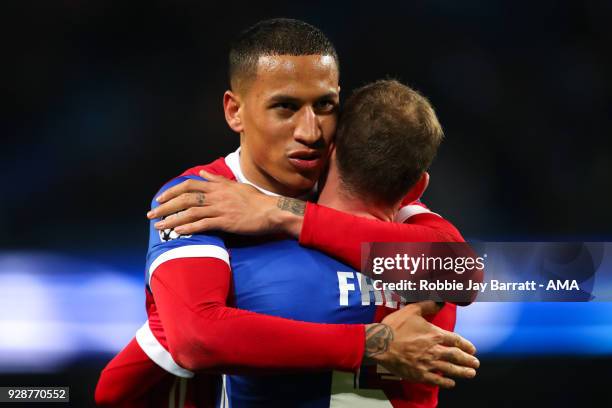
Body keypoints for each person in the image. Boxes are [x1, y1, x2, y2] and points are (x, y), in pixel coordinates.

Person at [96, 19, 477, 407]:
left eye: (325, 106)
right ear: (235, 112)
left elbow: (462, 271)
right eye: (286, 107)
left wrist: (284, 213)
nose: (310, 132)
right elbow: (196, 338)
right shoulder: (198, 197)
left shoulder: (354, 180)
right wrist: (370, 344)